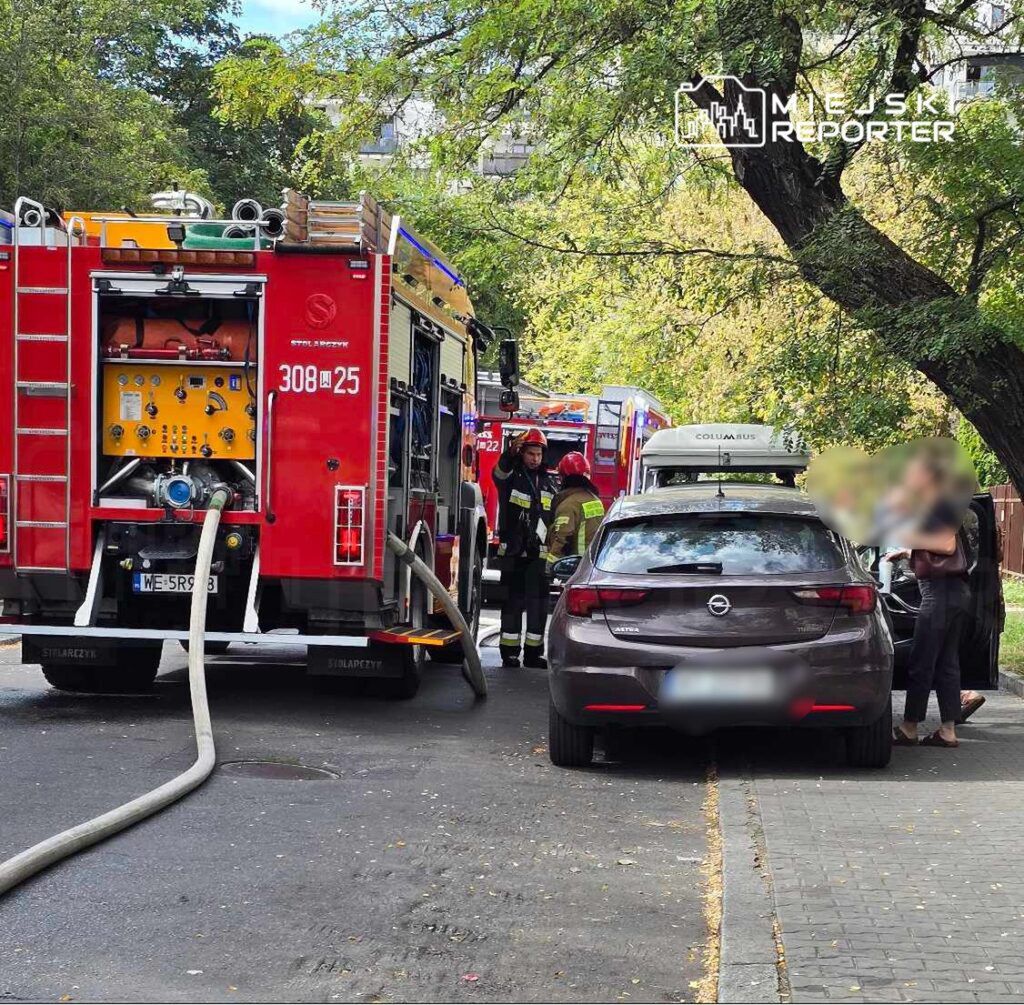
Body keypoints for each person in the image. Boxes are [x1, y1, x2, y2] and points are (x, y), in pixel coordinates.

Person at [885, 452, 974, 748]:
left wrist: (912, 540)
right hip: (954, 593)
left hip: (939, 594)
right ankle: (947, 730)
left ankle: (910, 726)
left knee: (922, 662)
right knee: (947, 663)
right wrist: (907, 552)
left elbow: (946, 546)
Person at [492, 428, 557, 668]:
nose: (535, 459)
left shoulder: (549, 484)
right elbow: (499, 473)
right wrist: (508, 454)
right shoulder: (511, 477)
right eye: (530, 454)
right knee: (512, 604)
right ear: (522, 454)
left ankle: (533, 654)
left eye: (538, 454)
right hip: (514, 553)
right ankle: (509, 653)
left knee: (538, 607)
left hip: (539, 555)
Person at [545, 452, 605, 574]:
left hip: (574, 568)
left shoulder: (568, 505)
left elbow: (562, 539)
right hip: (593, 565)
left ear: (563, 478)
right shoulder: (595, 500)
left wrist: (550, 567)